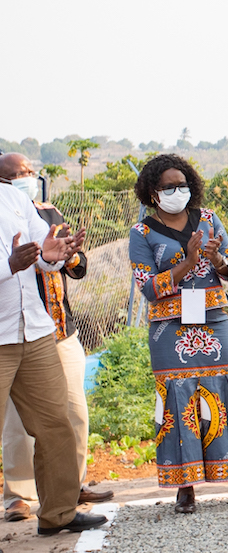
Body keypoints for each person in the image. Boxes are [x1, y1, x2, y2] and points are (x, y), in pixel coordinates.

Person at [129, 154, 228, 514]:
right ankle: (185, 485)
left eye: (182, 185)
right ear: (152, 192)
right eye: (168, 186)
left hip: (212, 317)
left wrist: (216, 261)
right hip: (169, 327)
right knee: (179, 400)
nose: (177, 191)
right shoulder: (142, 233)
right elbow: (147, 288)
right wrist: (187, 262)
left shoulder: (209, 219)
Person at [0, 154, 112, 525]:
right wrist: (9, 266)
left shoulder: (16, 201)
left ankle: (59, 514)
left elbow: (42, 252)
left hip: (35, 330)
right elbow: (15, 262)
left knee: (56, 424)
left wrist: (54, 255)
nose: (24, 180)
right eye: (17, 174)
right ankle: (18, 498)